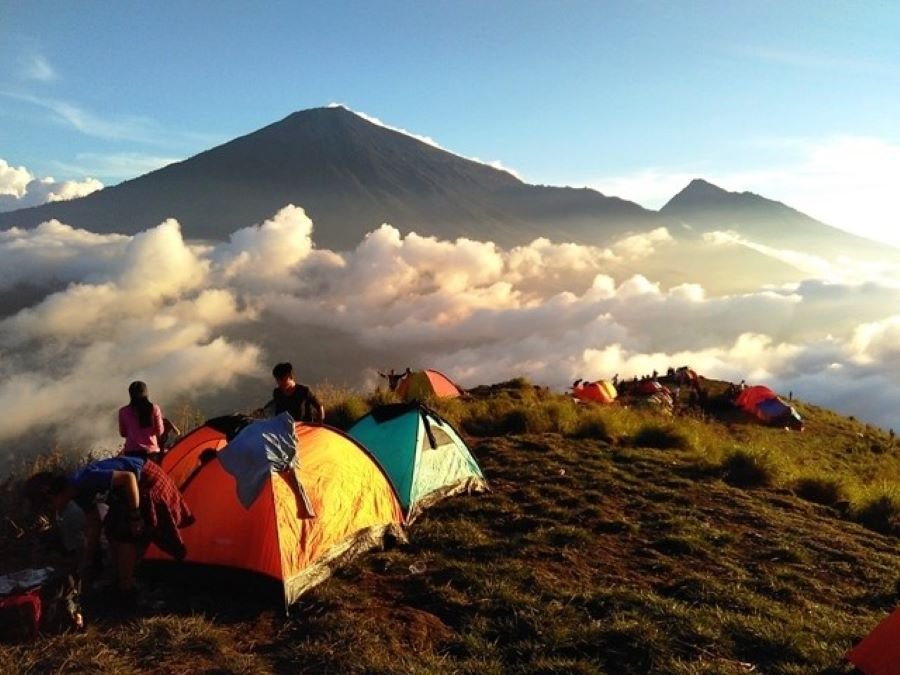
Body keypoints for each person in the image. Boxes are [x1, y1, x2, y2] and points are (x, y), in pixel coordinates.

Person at [34, 455, 194, 610]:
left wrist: (135, 515)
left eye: (51, 505)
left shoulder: (85, 479)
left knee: (124, 535)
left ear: (54, 495)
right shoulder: (76, 493)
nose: (53, 510)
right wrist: (87, 559)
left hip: (147, 479)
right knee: (112, 528)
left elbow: (129, 478)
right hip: (128, 490)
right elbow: (94, 523)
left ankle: (127, 589)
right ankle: (122, 580)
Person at [119, 381, 166, 461]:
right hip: (151, 453)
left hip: (131, 453)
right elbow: (160, 431)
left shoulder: (123, 411)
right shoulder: (154, 409)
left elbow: (123, 433)